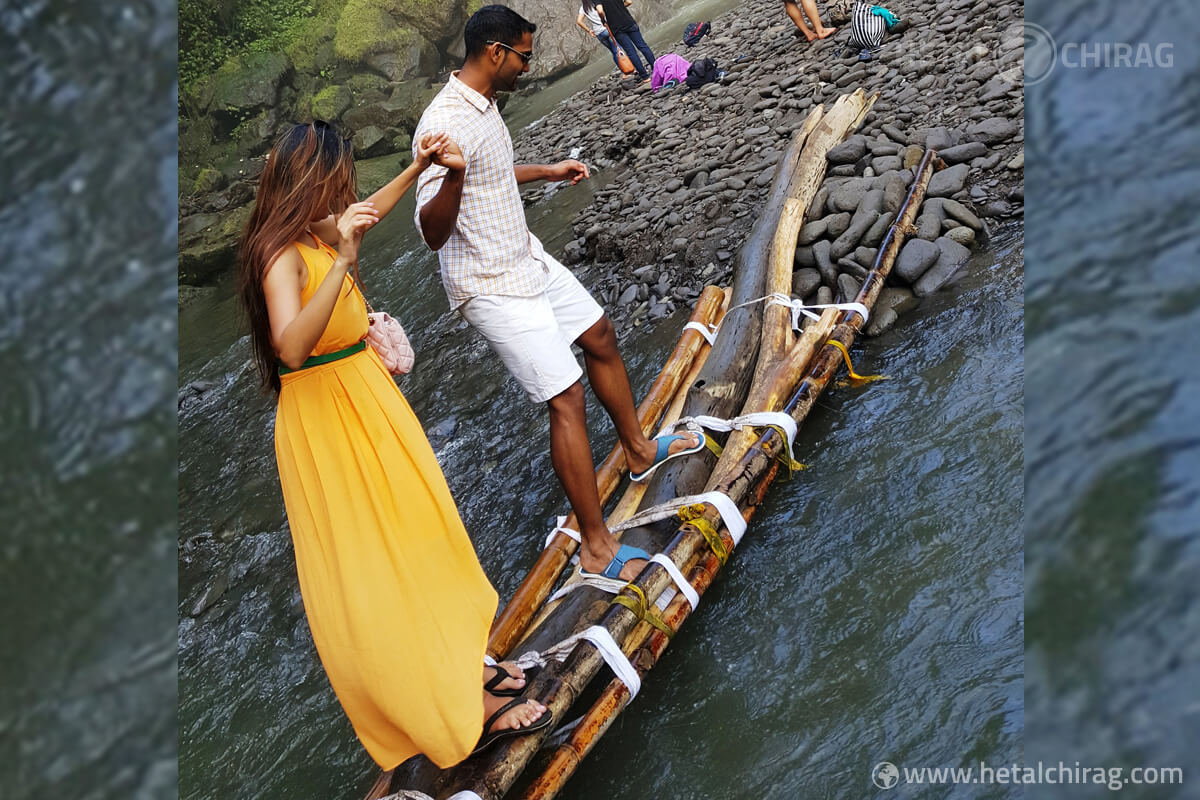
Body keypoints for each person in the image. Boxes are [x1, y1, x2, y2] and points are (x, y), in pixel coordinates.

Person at [236, 120, 550, 770]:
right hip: (331, 428)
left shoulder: (314, 230)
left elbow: (364, 216)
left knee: (425, 545)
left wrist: (417, 167)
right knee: (386, 574)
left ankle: (465, 672)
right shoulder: (280, 253)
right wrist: (344, 262)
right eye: (339, 178)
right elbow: (289, 345)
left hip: (366, 410)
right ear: (312, 179)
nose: (348, 190)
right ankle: (459, 716)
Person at [412, 5, 704, 582]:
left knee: (599, 334)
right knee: (565, 396)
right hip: (488, 285)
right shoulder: (440, 124)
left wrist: (547, 171)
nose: (529, 65)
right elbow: (429, 230)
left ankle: (639, 452)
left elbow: (490, 170)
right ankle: (596, 548)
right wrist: (451, 175)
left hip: (522, 256)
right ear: (495, 53)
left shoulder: (486, 105)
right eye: (524, 55)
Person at [595, 0, 655, 82]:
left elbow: (600, 10)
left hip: (616, 27)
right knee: (643, 46)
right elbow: (629, 2)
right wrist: (620, 7)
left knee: (631, 52)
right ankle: (656, 68)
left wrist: (603, 20)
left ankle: (645, 76)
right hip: (628, 21)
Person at [576, 0, 621, 71]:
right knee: (617, 49)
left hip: (599, 33)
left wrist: (589, 30)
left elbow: (579, 21)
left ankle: (623, 70)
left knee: (613, 51)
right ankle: (627, 70)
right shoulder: (597, 3)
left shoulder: (583, 8)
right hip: (606, 28)